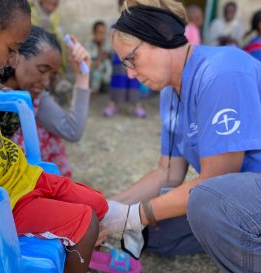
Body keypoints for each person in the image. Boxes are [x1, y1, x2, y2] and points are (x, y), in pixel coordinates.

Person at [0, 2, 108, 273]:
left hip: (20, 177)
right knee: (85, 223)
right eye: (11, 49)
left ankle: (75, 259)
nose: (12, 59)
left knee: (98, 203)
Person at [101, 0, 261, 272]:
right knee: (155, 233)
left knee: (204, 203)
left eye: (131, 59)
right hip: (239, 199)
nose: (130, 73)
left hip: (238, 193)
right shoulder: (169, 94)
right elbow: (168, 172)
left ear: (159, 37)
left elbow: (216, 179)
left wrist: (134, 215)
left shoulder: (220, 72)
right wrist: (107, 211)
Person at [0, 25, 91, 177]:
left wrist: (82, 76)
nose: (46, 82)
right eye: (42, 69)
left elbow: (72, 131)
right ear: (15, 57)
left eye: (52, 75)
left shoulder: (35, 98)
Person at [103, 0, 146, 118]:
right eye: (124, 4)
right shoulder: (115, 20)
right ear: (119, 6)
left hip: (134, 57)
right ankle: (113, 103)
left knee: (134, 80)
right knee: (118, 80)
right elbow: (110, 39)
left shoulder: (138, 21)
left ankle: (136, 105)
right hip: (118, 56)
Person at [85, 20, 112, 94]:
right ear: (94, 33)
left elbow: (107, 54)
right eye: (99, 33)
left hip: (104, 72)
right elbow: (89, 60)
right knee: (96, 69)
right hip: (93, 71)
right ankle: (94, 88)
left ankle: (105, 85)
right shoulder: (89, 45)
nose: (102, 35)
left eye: (103, 33)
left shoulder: (107, 43)